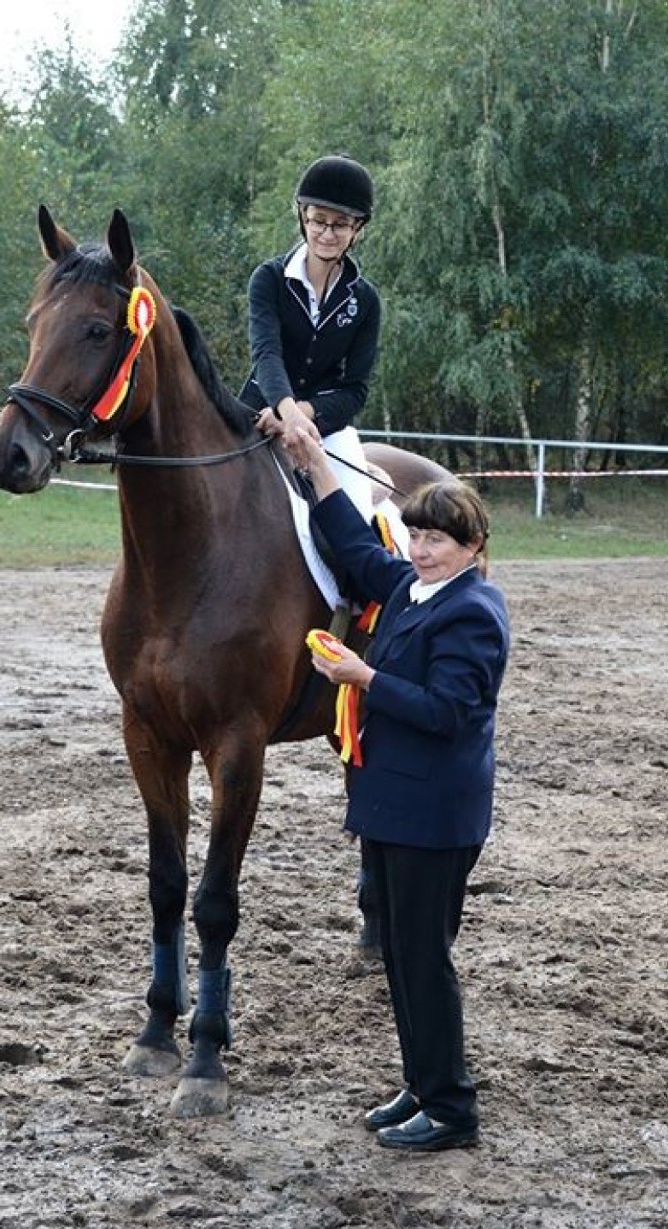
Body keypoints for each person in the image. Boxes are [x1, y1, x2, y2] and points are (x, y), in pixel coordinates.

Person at [285, 426, 511, 1154]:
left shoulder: (472, 611)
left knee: (423, 959)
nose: (420, 550)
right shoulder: (411, 590)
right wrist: (317, 467)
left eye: (436, 540)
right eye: (414, 535)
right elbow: (353, 547)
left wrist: (364, 678)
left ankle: (452, 1108)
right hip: (390, 806)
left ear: (471, 547)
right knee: (404, 960)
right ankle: (421, 1085)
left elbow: (449, 713)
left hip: (435, 814)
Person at [239, 154, 380, 522]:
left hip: (327, 431)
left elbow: (356, 389)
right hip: (257, 418)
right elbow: (266, 354)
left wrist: (300, 416)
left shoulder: (364, 301)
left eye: (341, 224)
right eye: (319, 221)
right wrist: (284, 410)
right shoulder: (269, 279)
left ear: (357, 229)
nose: (328, 233)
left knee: (356, 527)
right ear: (303, 217)